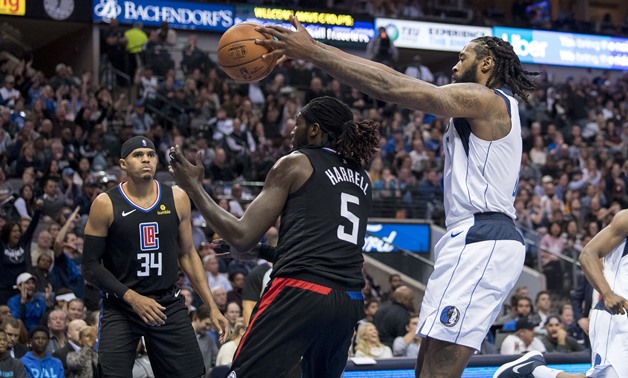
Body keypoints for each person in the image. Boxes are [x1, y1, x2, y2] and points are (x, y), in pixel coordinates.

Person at [256, 17, 538, 377]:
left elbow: (397, 86)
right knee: (426, 370)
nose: (454, 65)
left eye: (463, 57)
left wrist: (315, 54)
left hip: (483, 239)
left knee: (437, 374)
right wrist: (317, 50)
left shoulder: (489, 101)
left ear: (486, 64)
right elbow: (386, 73)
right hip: (468, 241)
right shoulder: (484, 107)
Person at [168, 95, 379, 378]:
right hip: (349, 299)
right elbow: (326, 250)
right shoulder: (362, 178)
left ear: (314, 129)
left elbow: (241, 235)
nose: (292, 130)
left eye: (298, 123)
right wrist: (263, 252)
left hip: (301, 292)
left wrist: (194, 187)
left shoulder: (296, 162)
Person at [81, 136, 229, 377]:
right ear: (123, 164)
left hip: (166, 303)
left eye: (150, 154)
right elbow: (89, 266)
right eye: (138, 155)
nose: (146, 159)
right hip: (122, 305)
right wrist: (133, 298)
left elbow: (188, 254)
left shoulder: (177, 198)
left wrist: (211, 306)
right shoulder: (105, 203)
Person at [494, 209, 628, 377]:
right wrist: (607, 294)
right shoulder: (625, 219)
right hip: (617, 317)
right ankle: (536, 371)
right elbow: (588, 255)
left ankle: (536, 371)